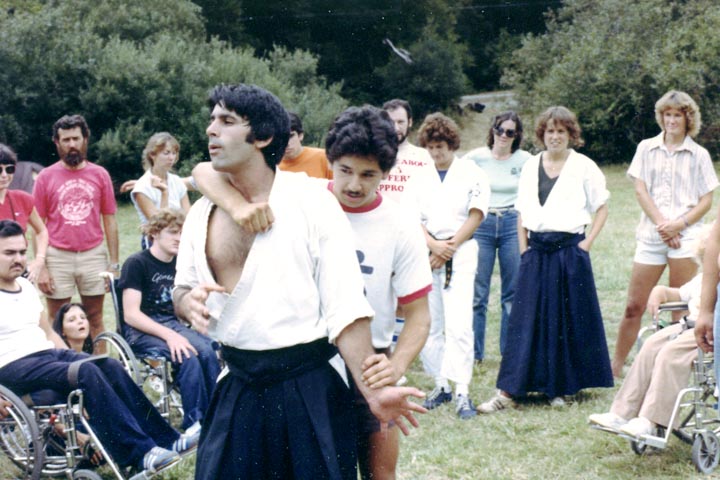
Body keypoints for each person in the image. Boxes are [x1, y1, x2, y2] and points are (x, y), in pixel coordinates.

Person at [173, 84, 426, 479]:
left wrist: (374, 392)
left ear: (263, 137)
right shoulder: (201, 214)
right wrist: (185, 302)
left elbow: (346, 310)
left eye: (227, 121)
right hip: (237, 382)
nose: (211, 129)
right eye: (212, 120)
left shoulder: (312, 202)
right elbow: (181, 288)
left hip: (307, 386)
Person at [0, 220, 198, 474]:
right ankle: (139, 453)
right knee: (86, 372)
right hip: (11, 366)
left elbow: (48, 332)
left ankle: (168, 440)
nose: (18, 259)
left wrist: (71, 357)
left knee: (108, 364)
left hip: (46, 355)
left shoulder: (26, 286)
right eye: (9, 253)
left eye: (21, 252)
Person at [478, 106, 612, 413]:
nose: (555, 137)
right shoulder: (531, 165)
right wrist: (524, 249)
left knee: (564, 319)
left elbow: (602, 207)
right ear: (542, 134)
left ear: (570, 135)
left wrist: (586, 244)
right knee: (526, 319)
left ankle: (560, 388)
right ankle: (508, 391)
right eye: (550, 131)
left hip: (569, 251)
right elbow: (522, 211)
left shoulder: (584, 166)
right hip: (536, 251)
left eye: (561, 131)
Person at [614, 90, 718, 377]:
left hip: (686, 238)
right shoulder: (646, 148)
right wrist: (664, 225)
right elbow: (640, 190)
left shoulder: (699, 154)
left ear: (688, 119)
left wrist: (679, 225)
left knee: (678, 309)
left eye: (677, 116)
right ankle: (615, 368)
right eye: (667, 115)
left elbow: (706, 200)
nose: (672, 121)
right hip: (652, 236)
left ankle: (668, 371)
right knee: (634, 306)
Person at [590, 224, 711, 437]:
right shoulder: (703, 280)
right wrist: (660, 291)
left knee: (669, 354)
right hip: (687, 327)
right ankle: (622, 413)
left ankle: (651, 419)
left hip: (707, 335)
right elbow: (679, 294)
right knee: (651, 345)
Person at [416, 112, 489, 420]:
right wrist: (433, 246)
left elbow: (477, 213)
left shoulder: (471, 172)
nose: (436, 153)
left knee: (459, 324)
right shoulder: (420, 175)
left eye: (441, 147)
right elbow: (411, 217)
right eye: (431, 147)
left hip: (461, 250)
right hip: (427, 252)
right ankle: (441, 384)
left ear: (452, 144)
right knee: (430, 324)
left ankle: (461, 390)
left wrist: (449, 247)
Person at [119, 208, 220, 431]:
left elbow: (183, 307)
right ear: (154, 233)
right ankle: (194, 422)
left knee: (208, 350)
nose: (179, 238)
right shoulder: (136, 263)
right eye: (173, 232)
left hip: (173, 325)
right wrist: (170, 336)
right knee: (186, 355)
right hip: (141, 330)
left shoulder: (180, 264)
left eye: (182, 233)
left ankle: (217, 416)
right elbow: (131, 315)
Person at [32, 114, 120, 343]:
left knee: (94, 317)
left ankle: (99, 363)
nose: (72, 144)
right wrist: (41, 267)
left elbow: (110, 220)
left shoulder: (100, 174)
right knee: (57, 320)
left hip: (93, 255)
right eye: (66, 140)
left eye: (76, 138)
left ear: (85, 140)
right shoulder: (45, 177)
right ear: (57, 143)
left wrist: (114, 263)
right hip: (57, 256)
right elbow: (37, 226)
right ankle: (60, 363)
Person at [462, 112, 531, 362]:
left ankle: (509, 353)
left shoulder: (526, 160)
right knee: (478, 292)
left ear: (517, 135)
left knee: (512, 292)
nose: (504, 136)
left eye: (510, 132)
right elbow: (457, 178)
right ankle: (475, 353)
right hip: (483, 222)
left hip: (513, 222)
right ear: (493, 131)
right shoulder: (475, 158)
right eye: (500, 130)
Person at [130, 133, 191, 247]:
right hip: (155, 242)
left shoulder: (177, 181)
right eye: (166, 153)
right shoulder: (142, 187)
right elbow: (159, 225)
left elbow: (188, 215)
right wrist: (164, 193)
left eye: (174, 153)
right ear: (152, 154)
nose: (171, 158)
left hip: (180, 237)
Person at [0, 143, 49, 284]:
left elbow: (41, 231)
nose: (4, 175)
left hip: (17, 272)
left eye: (9, 169)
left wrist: (39, 259)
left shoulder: (23, 199)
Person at [278, 112, 333, 178]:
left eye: (291, 136)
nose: (287, 143)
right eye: (281, 138)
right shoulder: (271, 167)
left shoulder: (323, 157)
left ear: (300, 135)